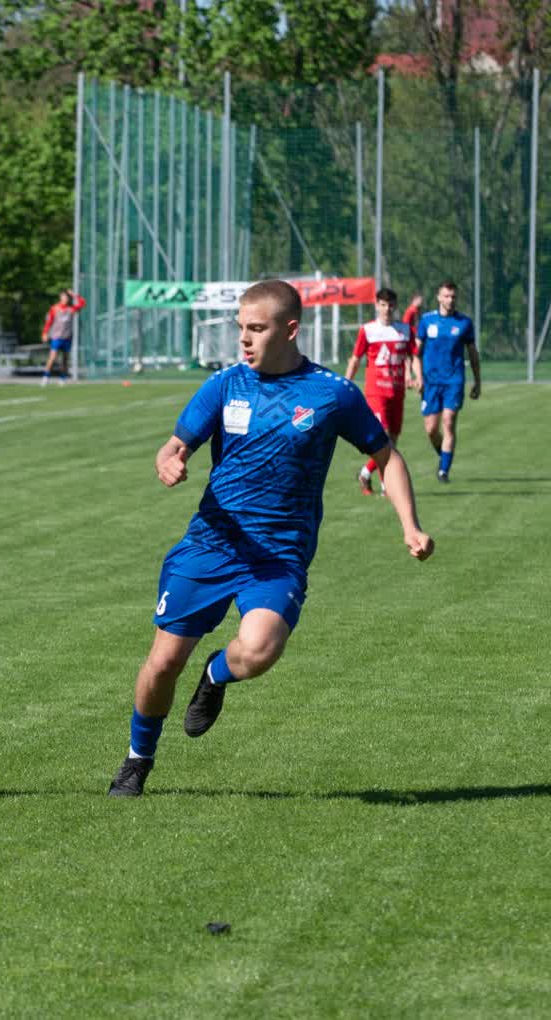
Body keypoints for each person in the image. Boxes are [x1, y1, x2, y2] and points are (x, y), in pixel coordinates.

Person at [107, 280, 433, 798]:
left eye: (256, 328)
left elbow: (387, 457)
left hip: (279, 555)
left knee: (260, 650)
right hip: (211, 544)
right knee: (163, 663)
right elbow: (173, 446)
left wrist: (409, 525)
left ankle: (216, 674)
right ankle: (137, 759)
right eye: (241, 327)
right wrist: (168, 462)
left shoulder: (331, 393)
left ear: (290, 329)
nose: (244, 338)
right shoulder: (225, 384)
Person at [344, 287, 421, 496]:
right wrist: (345, 384)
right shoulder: (368, 330)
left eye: (390, 305)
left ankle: (365, 473)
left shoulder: (404, 330)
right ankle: (387, 486)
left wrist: (418, 377)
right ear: (377, 306)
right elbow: (355, 359)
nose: (387, 309)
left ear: (395, 307)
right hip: (376, 393)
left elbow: (413, 357)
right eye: (383, 305)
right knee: (383, 438)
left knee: (392, 441)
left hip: (397, 393)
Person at [415, 281, 480, 482]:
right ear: (439, 297)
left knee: (449, 422)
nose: (450, 300)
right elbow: (416, 354)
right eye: (446, 296)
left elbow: (473, 353)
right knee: (431, 429)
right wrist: (417, 377)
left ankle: (444, 471)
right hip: (431, 382)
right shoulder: (427, 321)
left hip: (454, 381)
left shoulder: (464, 323)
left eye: (453, 296)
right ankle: (444, 454)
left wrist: (477, 381)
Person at [41, 289, 85, 386]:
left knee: (65, 359)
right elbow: (49, 322)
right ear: (60, 297)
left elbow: (82, 303)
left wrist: (74, 295)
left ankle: (62, 378)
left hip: (67, 337)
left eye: (66, 297)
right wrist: (45, 333)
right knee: (52, 357)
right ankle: (45, 377)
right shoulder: (54, 308)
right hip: (56, 337)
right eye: (63, 297)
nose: (65, 299)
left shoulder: (71, 309)